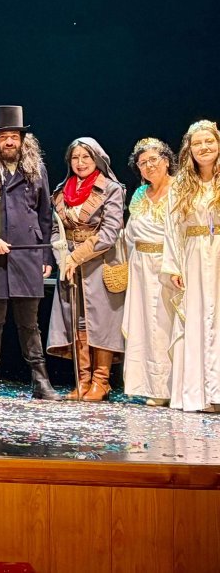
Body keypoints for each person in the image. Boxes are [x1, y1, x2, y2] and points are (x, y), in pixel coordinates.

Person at [0, 106, 61, 400]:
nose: (9, 142)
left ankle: (40, 380)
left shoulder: (36, 169)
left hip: (29, 253)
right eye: (3, 137)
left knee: (29, 323)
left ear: (23, 140)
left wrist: (47, 257)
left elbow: (45, 214)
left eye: (14, 136)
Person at [47, 138, 126, 402]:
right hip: (69, 264)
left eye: (86, 158)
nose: (80, 163)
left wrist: (76, 257)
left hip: (99, 262)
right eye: (75, 158)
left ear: (97, 160)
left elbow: (110, 231)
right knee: (77, 320)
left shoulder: (111, 189)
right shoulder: (62, 190)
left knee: (101, 321)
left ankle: (101, 382)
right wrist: (62, 259)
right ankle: (82, 381)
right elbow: (55, 228)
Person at [163, 120, 219, 412]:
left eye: (209, 142)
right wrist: (173, 266)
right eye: (197, 143)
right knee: (197, 319)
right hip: (194, 256)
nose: (204, 147)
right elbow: (172, 229)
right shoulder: (181, 186)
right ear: (190, 149)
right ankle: (199, 394)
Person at [121, 137, 176, 406]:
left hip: (168, 264)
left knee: (167, 325)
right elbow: (131, 232)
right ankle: (151, 386)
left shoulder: (178, 190)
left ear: (166, 161)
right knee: (144, 325)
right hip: (141, 264)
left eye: (154, 160)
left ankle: (172, 385)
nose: (149, 166)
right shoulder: (140, 194)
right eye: (143, 163)